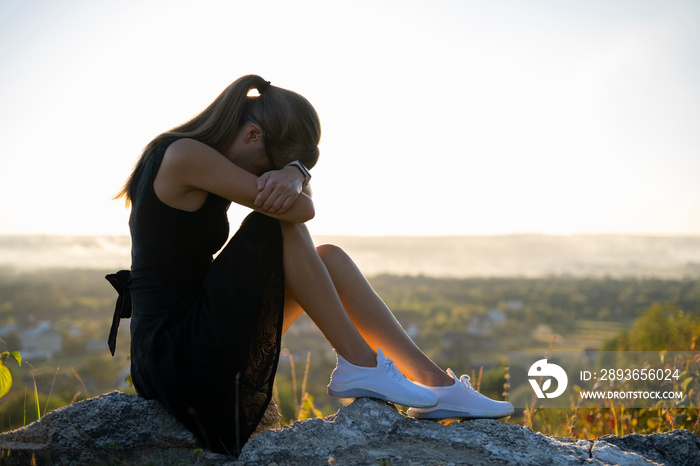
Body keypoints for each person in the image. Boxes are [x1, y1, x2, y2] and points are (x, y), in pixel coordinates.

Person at [106, 74, 513, 456]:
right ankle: (361, 364)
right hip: (175, 354)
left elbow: (297, 201)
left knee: (329, 257)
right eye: (265, 169)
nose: (264, 179)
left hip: (196, 331)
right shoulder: (184, 155)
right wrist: (293, 180)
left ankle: (437, 387)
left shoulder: (196, 152)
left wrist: (294, 171)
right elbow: (300, 210)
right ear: (252, 134)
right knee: (276, 219)